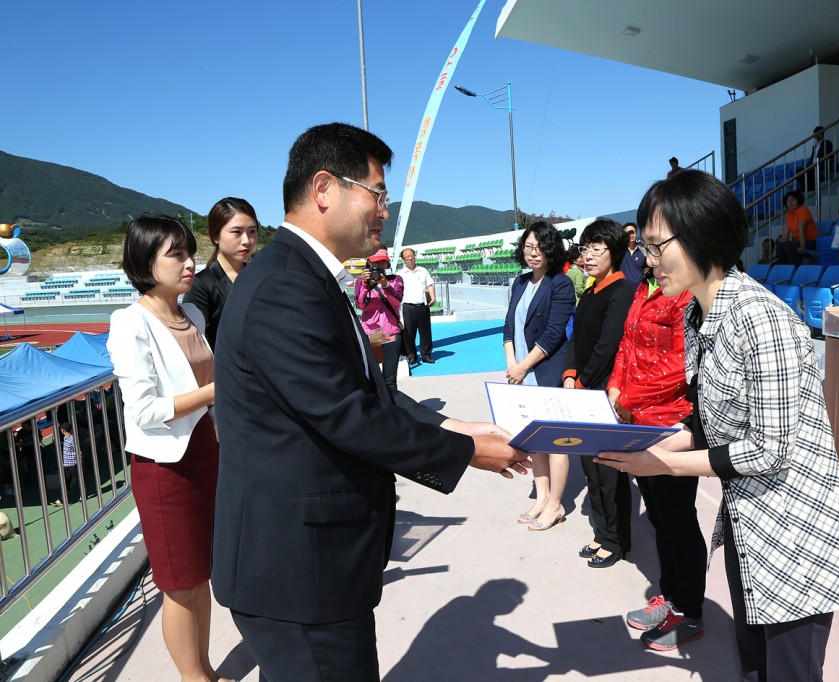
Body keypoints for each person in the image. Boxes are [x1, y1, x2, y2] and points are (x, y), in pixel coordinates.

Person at [211, 122, 529, 682]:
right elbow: (347, 416)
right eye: (378, 194)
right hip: (298, 572)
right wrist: (462, 450)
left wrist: (453, 422)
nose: (385, 210)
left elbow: (369, 391)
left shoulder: (304, 275)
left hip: (317, 564)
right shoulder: (286, 285)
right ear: (325, 189)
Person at [598, 170, 839, 682]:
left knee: (787, 671)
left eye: (658, 246)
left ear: (703, 233)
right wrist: (636, 441)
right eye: (646, 249)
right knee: (752, 665)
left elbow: (769, 450)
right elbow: (707, 422)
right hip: (747, 524)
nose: (649, 261)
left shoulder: (761, 319)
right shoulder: (698, 317)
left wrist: (663, 463)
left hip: (795, 532)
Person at [106, 213, 226, 682]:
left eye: (190, 251)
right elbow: (144, 409)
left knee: (202, 577)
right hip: (165, 468)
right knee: (179, 583)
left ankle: (206, 670)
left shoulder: (192, 314)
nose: (189, 262)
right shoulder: (130, 322)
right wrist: (217, 390)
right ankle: (193, 679)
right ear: (145, 262)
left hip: (206, 454)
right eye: (175, 254)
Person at [606, 266, 707, 651]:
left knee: (678, 521)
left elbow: (680, 365)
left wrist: (629, 398)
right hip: (635, 422)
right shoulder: (644, 288)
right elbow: (627, 346)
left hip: (669, 428)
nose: (650, 254)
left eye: (656, 243)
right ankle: (670, 597)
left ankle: (691, 612)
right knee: (661, 520)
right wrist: (615, 385)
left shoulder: (687, 294)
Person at [563, 219, 633, 568]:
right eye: (585, 248)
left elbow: (607, 345)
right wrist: (570, 374)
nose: (587, 256)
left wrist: (583, 381)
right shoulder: (590, 292)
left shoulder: (622, 291)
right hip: (583, 389)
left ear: (615, 252)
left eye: (596, 248)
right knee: (590, 470)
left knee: (608, 473)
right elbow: (578, 339)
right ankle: (601, 533)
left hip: (604, 394)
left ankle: (616, 540)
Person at [503, 221, 575, 532]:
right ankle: (541, 497)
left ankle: (556, 504)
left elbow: (553, 333)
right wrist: (511, 363)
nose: (533, 253)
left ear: (551, 250)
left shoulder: (560, 284)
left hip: (546, 372)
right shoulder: (519, 283)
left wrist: (523, 366)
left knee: (556, 442)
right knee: (536, 442)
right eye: (529, 247)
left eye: (540, 247)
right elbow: (508, 327)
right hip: (520, 374)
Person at [183, 197, 259, 350]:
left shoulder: (260, 278)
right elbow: (194, 344)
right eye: (236, 232)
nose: (246, 240)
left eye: (252, 231)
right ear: (215, 236)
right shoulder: (201, 285)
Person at [355, 248, 405, 391]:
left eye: (383, 261)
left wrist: (385, 285)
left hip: (391, 333)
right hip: (371, 334)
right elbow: (360, 305)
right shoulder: (361, 281)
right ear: (369, 263)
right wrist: (365, 285)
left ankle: (392, 411)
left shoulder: (396, 280)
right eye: (377, 262)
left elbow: (397, 302)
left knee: (390, 380)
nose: (380, 265)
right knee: (371, 379)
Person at [397, 248, 436, 364]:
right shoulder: (400, 275)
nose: (410, 258)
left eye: (412, 255)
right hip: (409, 307)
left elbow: (429, 285)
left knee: (426, 333)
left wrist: (433, 298)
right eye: (407, 256)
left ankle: (426, 354)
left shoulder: (422, 271)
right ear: (403, 260)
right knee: (409, 334)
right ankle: (412, 355)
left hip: (423, 306)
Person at [775, 191, 818, 265]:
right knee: (779, 247)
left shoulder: (803, 210)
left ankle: (795, 269)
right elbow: (786, 232)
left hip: (810, 241)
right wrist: (782, 241)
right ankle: (785, 269)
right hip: (797, 241)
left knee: (789, 247)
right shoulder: (789, 214)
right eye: (788, 201)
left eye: (792, 200)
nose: (790, 203)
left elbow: (801, 229)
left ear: (798, 200)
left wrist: (802, 246)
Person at [50, 422, 79, 507]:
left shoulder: (72, 439)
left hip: (73, 464)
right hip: (66, 465)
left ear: (63, 430)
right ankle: (61, 499)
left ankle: (82, 495)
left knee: (78, 480)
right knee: (65, 482)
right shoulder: (66, 438)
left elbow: (78, 451)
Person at [804, 126, 834, 191]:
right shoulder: (814, 146)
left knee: (810, 171)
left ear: (822, 134)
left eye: (818, 133)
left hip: (822, 164)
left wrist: (815, 163)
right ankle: (808, 189)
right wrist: (809, 164)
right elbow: (812, 158)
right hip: (813, 165)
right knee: (799, 171)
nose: (816, 135)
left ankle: (812, 189)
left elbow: (827, 155)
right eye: (815, 134)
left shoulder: (827, 143)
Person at [619, 222, 646, 288]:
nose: (631, 235)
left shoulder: (643, 250)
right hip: (624, 290)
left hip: (641, 291)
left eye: (633, 232)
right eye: (629, 232)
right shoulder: (619, 251)